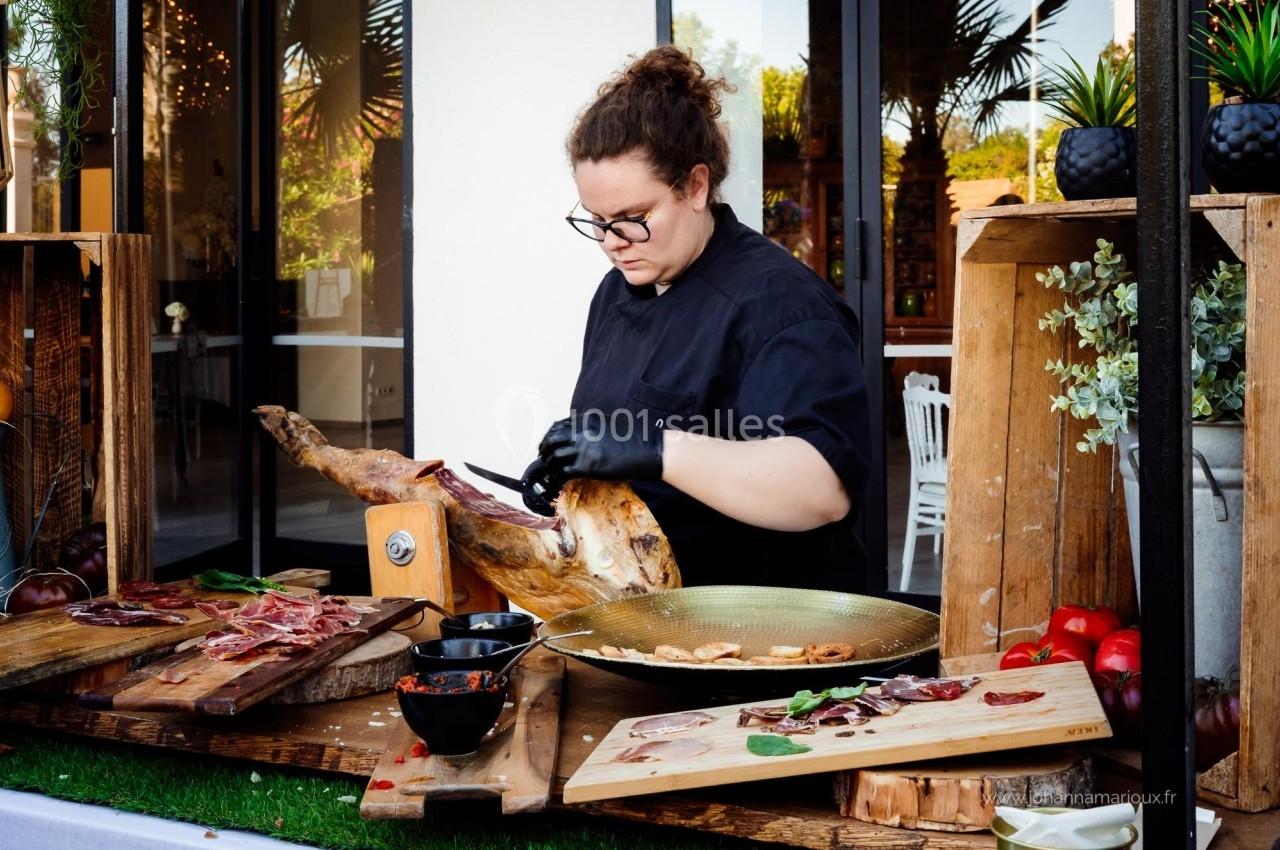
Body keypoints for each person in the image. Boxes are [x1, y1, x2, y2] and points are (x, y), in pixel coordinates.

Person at [522, 46, 871, 593]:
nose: (612, 242)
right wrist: (573, 471)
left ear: (695, 187)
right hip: (646, 613)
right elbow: (615, 439)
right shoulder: (615, 293)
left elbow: (822, 489)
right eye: (597, 221)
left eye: (633, 218)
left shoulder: (782, 305)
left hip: (769, 623)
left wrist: (655, 449)